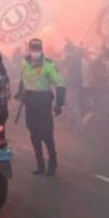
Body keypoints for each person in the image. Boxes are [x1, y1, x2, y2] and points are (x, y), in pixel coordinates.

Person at [16, 38, 66, 176]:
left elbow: (60, 83)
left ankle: (52, 161)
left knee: (47, 134)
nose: (35, 52)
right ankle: (40, 164)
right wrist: (20, 93)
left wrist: (59, 103)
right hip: (30, 103)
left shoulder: (49, 64)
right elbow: (23, 78)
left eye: (38, 49)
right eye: (33, 49)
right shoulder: (24, 62)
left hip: (43, 102)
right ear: (29, 50)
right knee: (34, 134)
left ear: (41, 49)